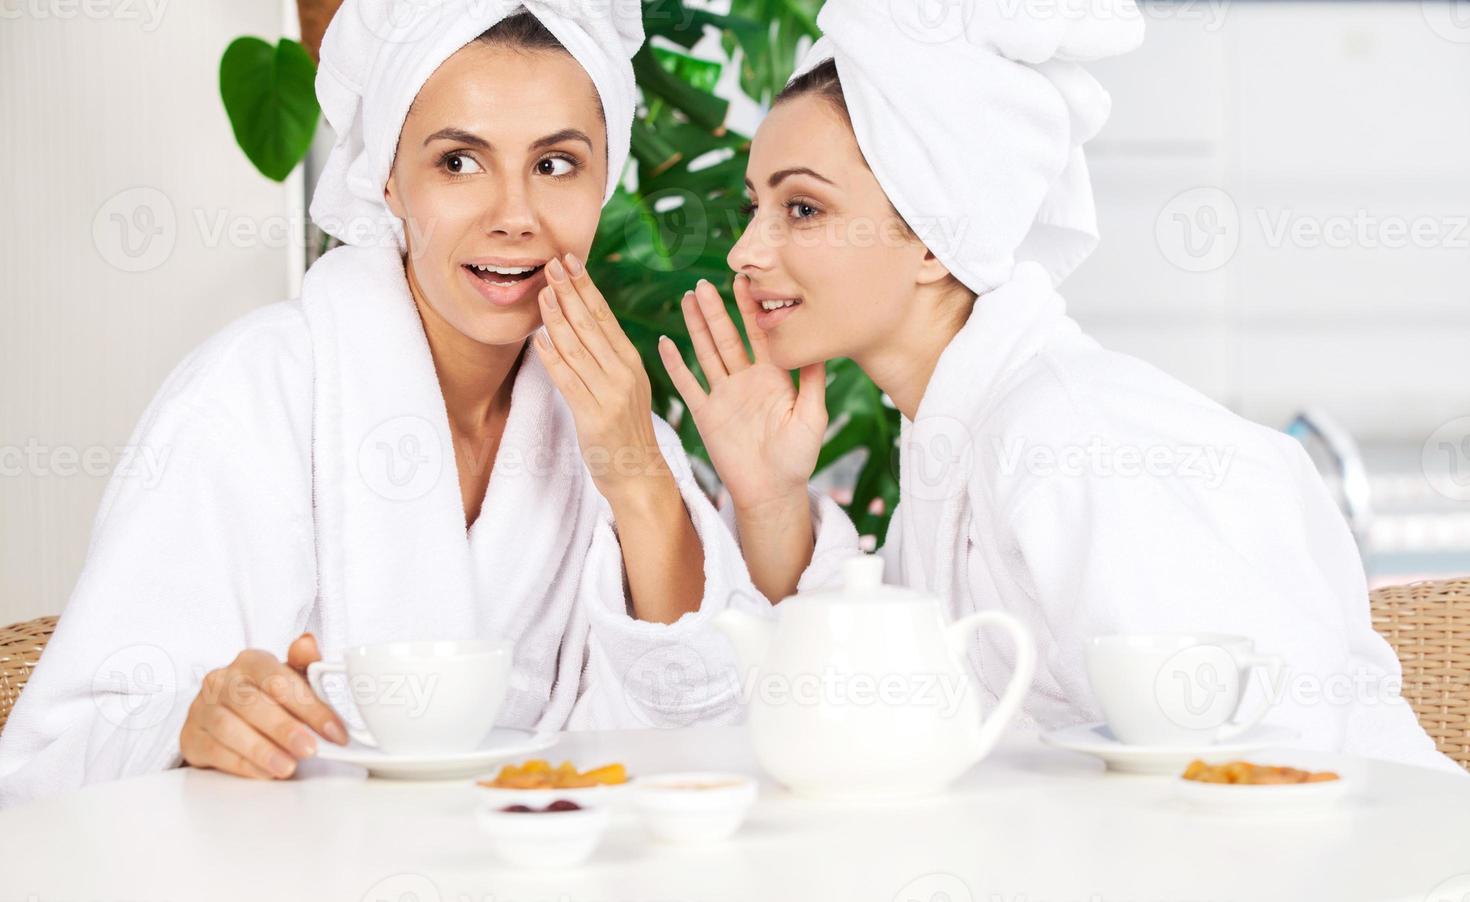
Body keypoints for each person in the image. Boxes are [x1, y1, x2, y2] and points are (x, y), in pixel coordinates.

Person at [658, 0, 1460, 773]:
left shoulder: (1069, 436)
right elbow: (872, 708)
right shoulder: (955, 445)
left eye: (802, 208)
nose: (746, 252)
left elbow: (1265, 751)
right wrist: (769, 497)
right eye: (753, 205)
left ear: (939, 240)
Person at [0, 0, 756, 807]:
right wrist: (189, 725)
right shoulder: (253, 392)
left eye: (556, 164)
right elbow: (48, 757)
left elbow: (701, 732)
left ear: (604, 176)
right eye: (459, 163)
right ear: (387, 179)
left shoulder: (605, 417)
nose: (514, 217)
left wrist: (635, 470)